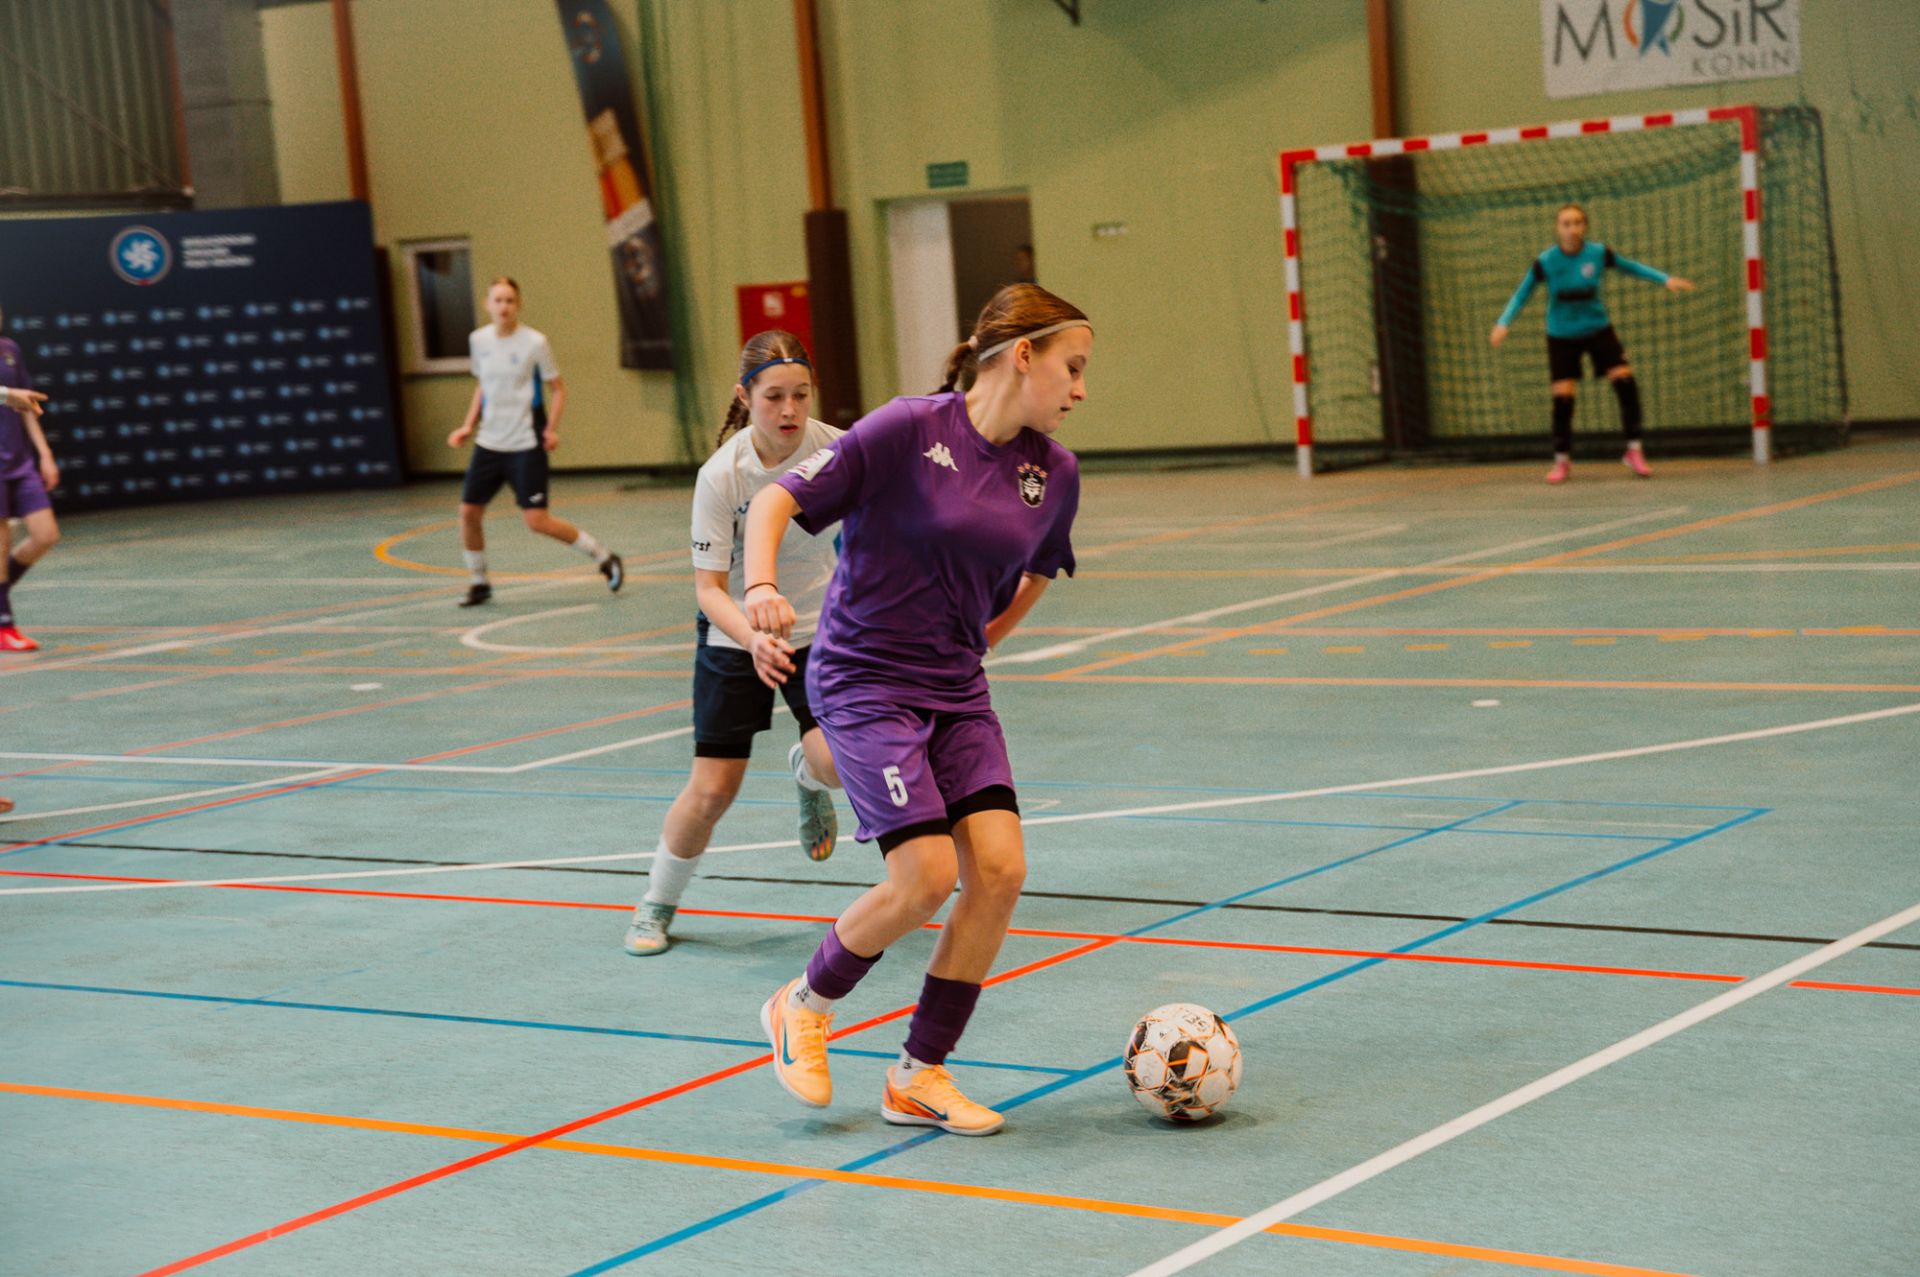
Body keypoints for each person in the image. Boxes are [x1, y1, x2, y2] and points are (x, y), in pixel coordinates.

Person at [744, 283, 1088, 1136]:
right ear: (1023, 356)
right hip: (864, 678)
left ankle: (918, 1074)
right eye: (1073, 367)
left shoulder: (1055, 473)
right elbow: (777, 498)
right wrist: (758, 587)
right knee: (926, 874)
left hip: (956, 686)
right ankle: (802, 1003)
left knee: (1000, 871)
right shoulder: (908, 428)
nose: (1081, 390)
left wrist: (982, 639)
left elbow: (1039, 569)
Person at [623, 331, 845, 956]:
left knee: (837, 761)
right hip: (735, 635)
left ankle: (806, 774)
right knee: (713, 788)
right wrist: (752, 638)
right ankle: (656, 903)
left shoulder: (839, 451)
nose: (789, 410)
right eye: (774, 396)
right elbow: (709, 589)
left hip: (821, 630)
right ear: (745, 397)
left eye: (801, 393)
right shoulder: (721, 476)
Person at [446, 277, 623, 606]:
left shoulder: (534, 342)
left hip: (525, 444)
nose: (503, 306)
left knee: (537, 521)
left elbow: (558, 389)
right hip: (489, 443)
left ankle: (604, 556)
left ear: (518, 305)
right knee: (468, 512)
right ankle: (479, 582)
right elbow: (482, 387)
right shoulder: (478, 340)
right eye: (498, 300)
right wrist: (468, 425)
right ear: (487, 304)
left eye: (510, 300)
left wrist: (550, 429)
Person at [1490, 203, 1694, 484]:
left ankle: (1634, 450)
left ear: (1584, 226)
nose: (1572, 229)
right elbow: (1521, 294)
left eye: (1577, 222)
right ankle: (1562, 459)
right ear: (1557, 228)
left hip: (1598, 329)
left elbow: (1630, 267)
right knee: (1563, 398)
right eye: (1566, 223)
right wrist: (1503, 322)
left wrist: (1664, 279)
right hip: (1561, 335)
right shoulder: (1547, 262)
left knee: (1625, 382)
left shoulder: (1597, 254)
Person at [0, 308, 63, 652]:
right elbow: (11, 396)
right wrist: (7, 395)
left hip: (20, 462)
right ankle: (4, 626)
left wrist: (45, 453)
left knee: (45, 535)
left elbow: (27, 405)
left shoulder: (10, 348)